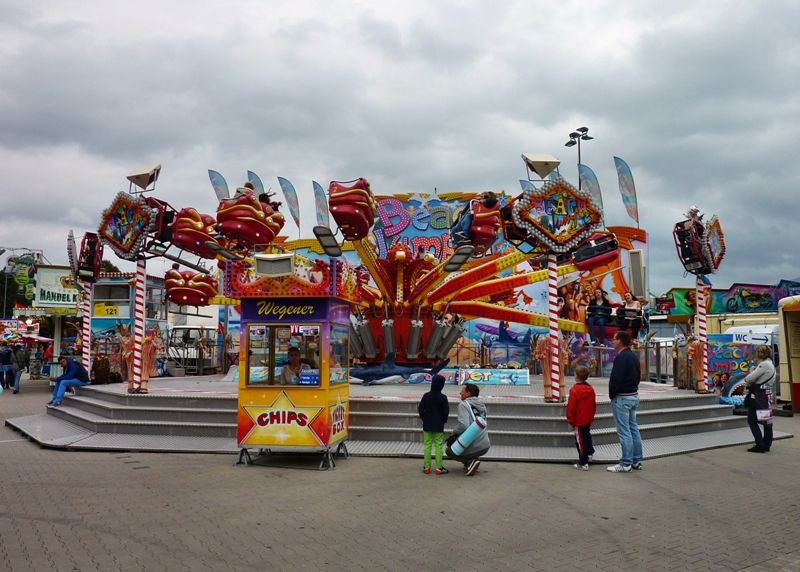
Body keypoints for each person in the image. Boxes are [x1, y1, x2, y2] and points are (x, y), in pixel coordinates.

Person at [607, 331, 643, 473]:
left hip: (622, 398)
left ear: (620, 341)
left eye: (614, 339)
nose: (612, 341)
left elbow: (617, 378)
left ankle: (626, 462)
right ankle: (636, 459)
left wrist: (612, 394)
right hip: (633, 395)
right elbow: (638, 376)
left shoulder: (621, 357)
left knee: (624, 431)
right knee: (633, 428)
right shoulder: (633, 356)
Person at [446, 383, 490, 476]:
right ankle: (471, 462)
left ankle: (470, 461)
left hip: (474, 445)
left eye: (462, 391)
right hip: (485, 445)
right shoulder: (482, 405)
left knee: (450, 451)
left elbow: (464, 425)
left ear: (468, 393)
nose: (460, 393)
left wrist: (454, 432)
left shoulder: (463, 405)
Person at [744, 345, 776, 453]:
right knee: (767, 421)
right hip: (766, 396)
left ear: (759, 353)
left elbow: (749, 378)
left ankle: (759, 444)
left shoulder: (763, 365)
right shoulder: (770, 364)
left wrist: (751, 372)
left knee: (752, 420)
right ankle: (767, 444)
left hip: (758, 397)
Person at [418, 374, 450, 474]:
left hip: (427, 424)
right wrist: (443, 420)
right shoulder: (443, 397)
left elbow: (420, 409)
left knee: (427, 445)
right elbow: (446, 411)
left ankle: (427, 467)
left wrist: (424, 418)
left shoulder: (426, 396)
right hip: (438, 425)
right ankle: (439, 468)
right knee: (438, 445)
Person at [567, 365, 596, 470]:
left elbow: (571, 407)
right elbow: (593, 404)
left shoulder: (574, 390)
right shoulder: (591, 389)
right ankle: (590, 452)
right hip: (587, 417)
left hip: (578, 419)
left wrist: (570, 420)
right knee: (587, 435)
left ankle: (583, 461)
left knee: (580, 440)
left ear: (576, 376)